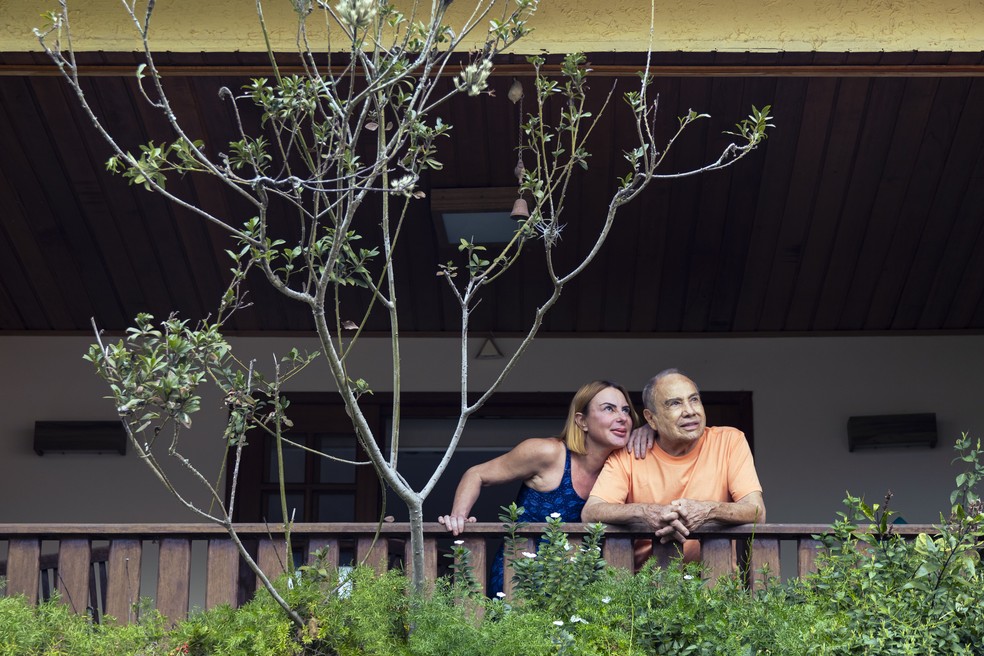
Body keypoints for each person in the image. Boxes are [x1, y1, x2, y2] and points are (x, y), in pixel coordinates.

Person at [438, 380, 640, 594]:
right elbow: (476, 474)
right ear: (582, 421)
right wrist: (458, 516)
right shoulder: (547, 453)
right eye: (609, 408)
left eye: (626, 410)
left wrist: (647, 432)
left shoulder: (623, 465)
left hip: (576, 588)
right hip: (519, 582)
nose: (622, 417)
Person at [582, 369, 765, 567]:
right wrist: (646, 512)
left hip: (714, 586)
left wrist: (708, 510)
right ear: (651, 419)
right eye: (675, 403)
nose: (690, 411)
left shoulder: (730, 441)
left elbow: (756, 511)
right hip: (643, 587)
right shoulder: (629, 454)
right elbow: (591, 512)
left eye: (694, 400)